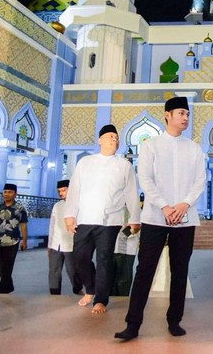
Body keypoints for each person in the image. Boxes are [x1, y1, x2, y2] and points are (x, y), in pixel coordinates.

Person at [115, 96, 206, 341]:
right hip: (155, 217)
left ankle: (174, 320)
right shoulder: (151, 145)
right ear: (167, 115)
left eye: (187, 114)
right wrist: (165, 207)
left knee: (180, 270)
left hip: (185, 219)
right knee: (145, 270)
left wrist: (185, 204)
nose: (185, 118)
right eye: (180, 113)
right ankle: (132, 324)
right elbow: (146, 179)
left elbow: (200, 181)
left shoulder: (194, 148)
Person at [64, 124, 142, 314]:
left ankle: (101, 300)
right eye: (110, 137)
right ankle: (90, 289)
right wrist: (69, 215)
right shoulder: (85, 163)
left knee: (104, 259)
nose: (114, 140)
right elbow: (74, 190)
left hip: (110, 221)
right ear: (100, 140)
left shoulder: (124, 165)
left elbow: (131, 193)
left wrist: (135, 219)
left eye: (116, 137)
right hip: (85, 218)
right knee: (79, 258)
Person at [48, 179, 83, 295]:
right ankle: (54, 293)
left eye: (63, 190)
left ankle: (77, 287)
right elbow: (52, 226)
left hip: (71, 244)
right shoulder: (57, 206)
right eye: (59, 191)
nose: (61, 193)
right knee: (54, 270)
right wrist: (49, 245)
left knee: (71, 270)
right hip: (55, 244)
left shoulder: (79, 205)